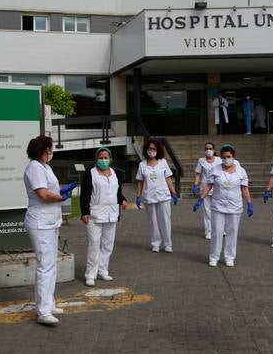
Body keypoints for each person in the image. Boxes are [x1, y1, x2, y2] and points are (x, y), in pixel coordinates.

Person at [23, 135, 76, 326]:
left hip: (50, 221)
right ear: (45, 150)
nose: (52, 150)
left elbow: (50, 189)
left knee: (51, 264)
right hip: (40, 221)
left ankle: (49, 303)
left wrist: (61, 191)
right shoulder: (34, 168)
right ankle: (43, 311)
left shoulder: (45, 167)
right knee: (45, 266)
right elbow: (43, 194)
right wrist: (61, 197)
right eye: (51, 148)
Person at [193, 144, 253, 267]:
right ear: (221, 157)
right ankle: (214, 256)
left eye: (229, 156)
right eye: (224, 157)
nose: (227, 159)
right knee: (217, 231)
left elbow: (244, 189)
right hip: (218, 205)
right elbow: (208, 185)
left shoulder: (241, 171)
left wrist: (249, 203)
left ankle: (229, 257)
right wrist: (200, 199)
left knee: (232, 231)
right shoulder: (215, 170)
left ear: (233, 156)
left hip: (235, 206)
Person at [80, 147, 127, 286]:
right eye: (101, 157)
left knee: (108, 245)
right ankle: (90, 274)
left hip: (111, 214)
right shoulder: (91, 173)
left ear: (110, 159)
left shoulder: (115, 173)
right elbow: (85, 195)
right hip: (94, 215)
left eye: (106, 158)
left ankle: (103, 270)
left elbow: (117, 192)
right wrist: (84, 212)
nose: (103, 160)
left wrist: (122, 200)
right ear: (96, 159)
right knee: (94, 244)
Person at [135, 138, 179, 253]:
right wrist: (138, 196)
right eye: (150, 148)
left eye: (154, 149)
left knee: (165, 220)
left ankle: (168, 244)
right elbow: (140, 181)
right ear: (146, 150)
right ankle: (155, 243)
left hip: (163, 195)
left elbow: (168, 178)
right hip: (149, 196)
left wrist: (173, 192)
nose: (152, 151)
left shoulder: (163, 162)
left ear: (158, 150)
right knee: (152, 221)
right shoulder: (142, 165)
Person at [193, 142, 222, 240]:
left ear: (214, 150)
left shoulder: (219, 160)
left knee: (219, 209)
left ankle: (221, 229)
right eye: (206, 149)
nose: (208, 150)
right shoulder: (201, 160)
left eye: (210, 148)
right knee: (207, 211)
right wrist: (195, 185)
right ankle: (208, 231)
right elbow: (198, 174)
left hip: (218, 188)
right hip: (205, 188)